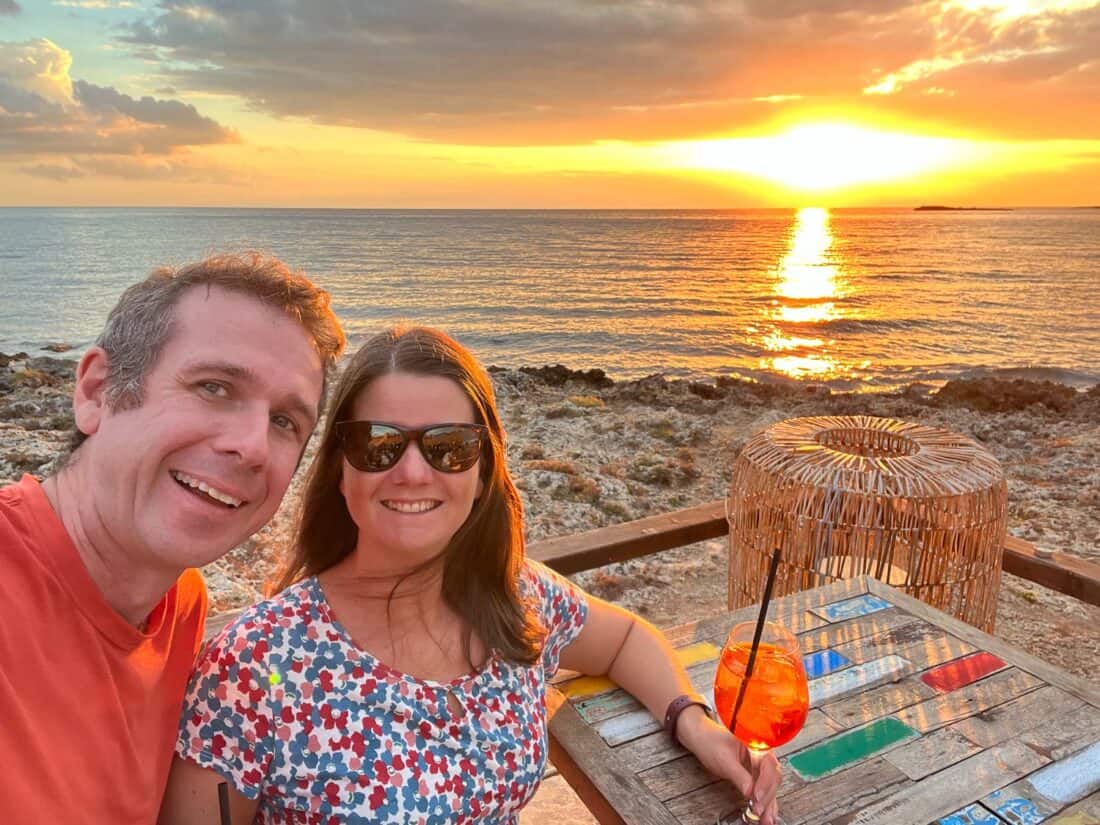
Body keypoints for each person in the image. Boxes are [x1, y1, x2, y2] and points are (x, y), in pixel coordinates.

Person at [161, 325, 781, 825]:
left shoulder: (514, 596)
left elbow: (623, 640)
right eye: (379, 444)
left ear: (482, 471)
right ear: (340, 471)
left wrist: (693, 722)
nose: (411, 473)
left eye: (449, 446)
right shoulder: (255, 666)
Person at [0, 253, 345, 822]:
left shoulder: (180, 603)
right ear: (97, 392)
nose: (253, 446)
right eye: (214, 387)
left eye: (285, 421)